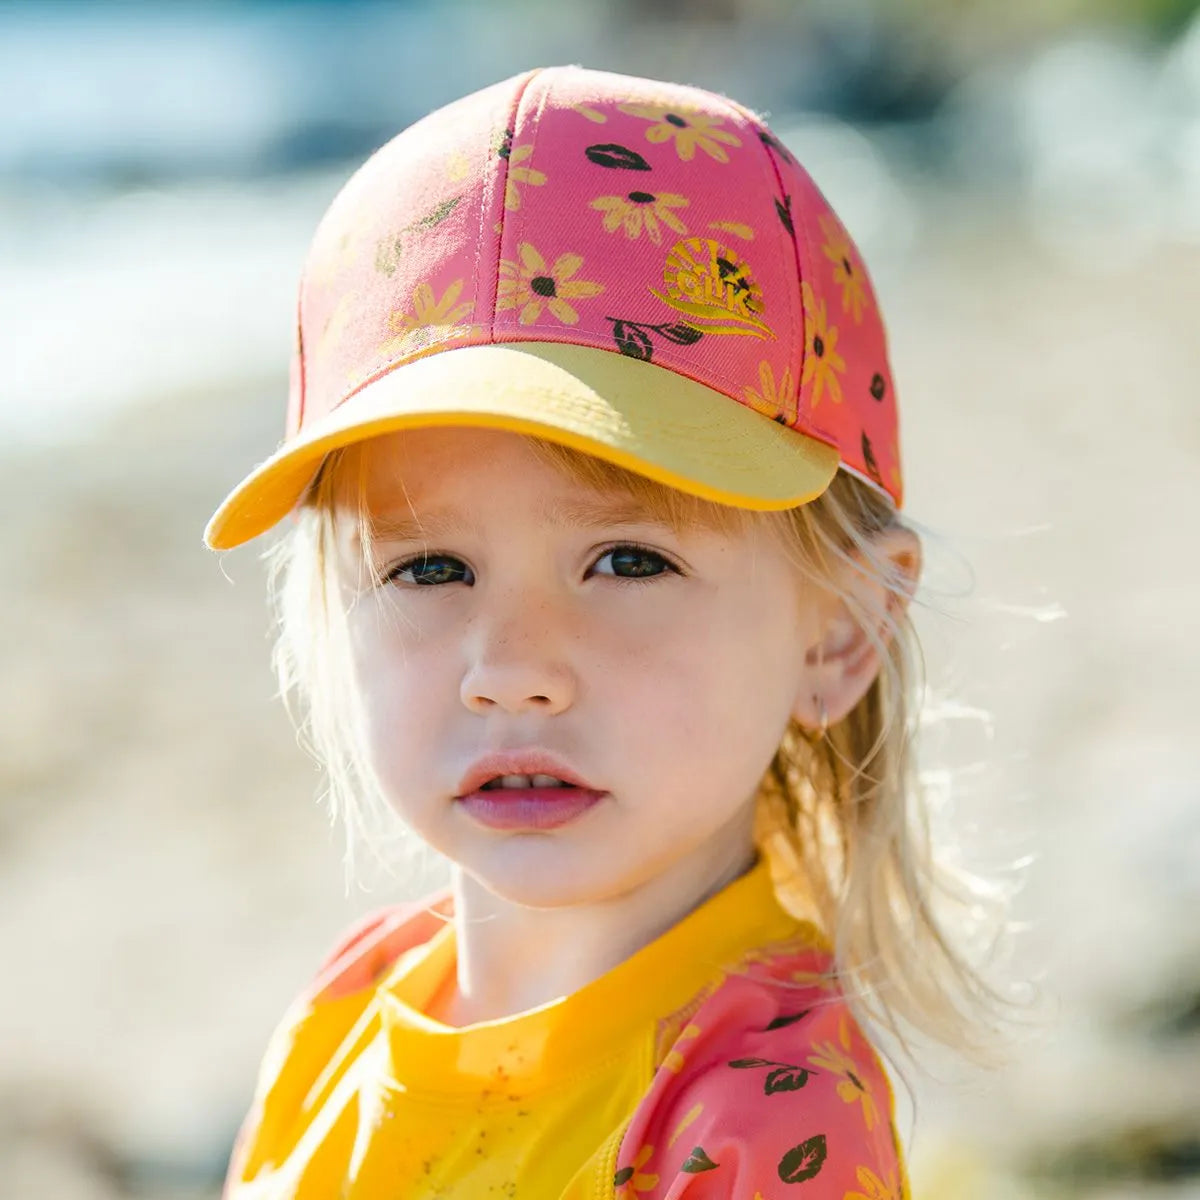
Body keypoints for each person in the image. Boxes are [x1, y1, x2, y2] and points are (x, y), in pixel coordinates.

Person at [205, 64, 1006, 1199]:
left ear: (839, 632)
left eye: (629, 561)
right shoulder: (351, 1005)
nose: (511, 671)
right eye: (429, 567)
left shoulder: (765, 1122)